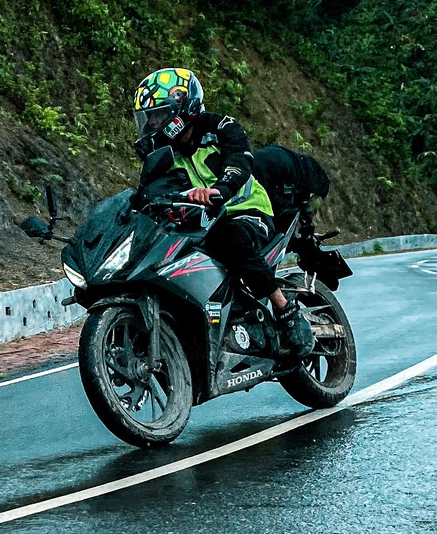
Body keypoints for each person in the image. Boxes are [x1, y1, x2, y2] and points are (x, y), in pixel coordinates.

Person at [132, 67, 314, 356]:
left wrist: (219, 191)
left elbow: (239, 163)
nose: (152, 123)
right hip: (201, 224)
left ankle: (284, 309)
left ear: (181, 106)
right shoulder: (164, 154)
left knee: (231, 237)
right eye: (148, 117)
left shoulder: (221, 127)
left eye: (158, 114)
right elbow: (146, 192)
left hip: (247, 211)